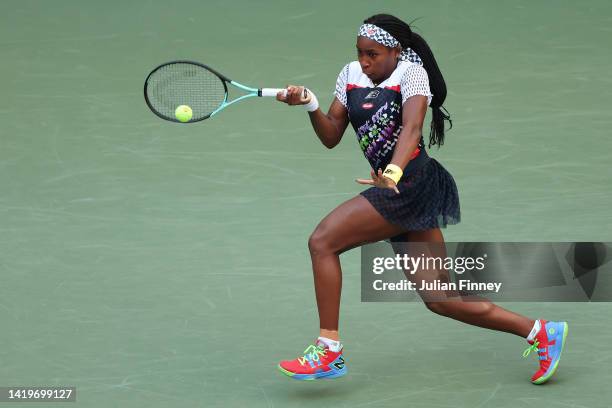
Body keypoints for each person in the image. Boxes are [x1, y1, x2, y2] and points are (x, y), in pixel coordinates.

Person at [274, 13, 568, 384]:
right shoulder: (349, 74)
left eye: (373, 54)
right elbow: (331, 135)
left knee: (322, 241)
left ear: (395, 51)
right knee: (441, 299)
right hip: (397, 187)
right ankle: (542, 332)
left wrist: (393, 173)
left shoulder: (412, 75)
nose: (365, 61)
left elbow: (412, 128)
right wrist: (310, 104)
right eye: (360, 53)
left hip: (410, 184)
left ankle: (328, 349)